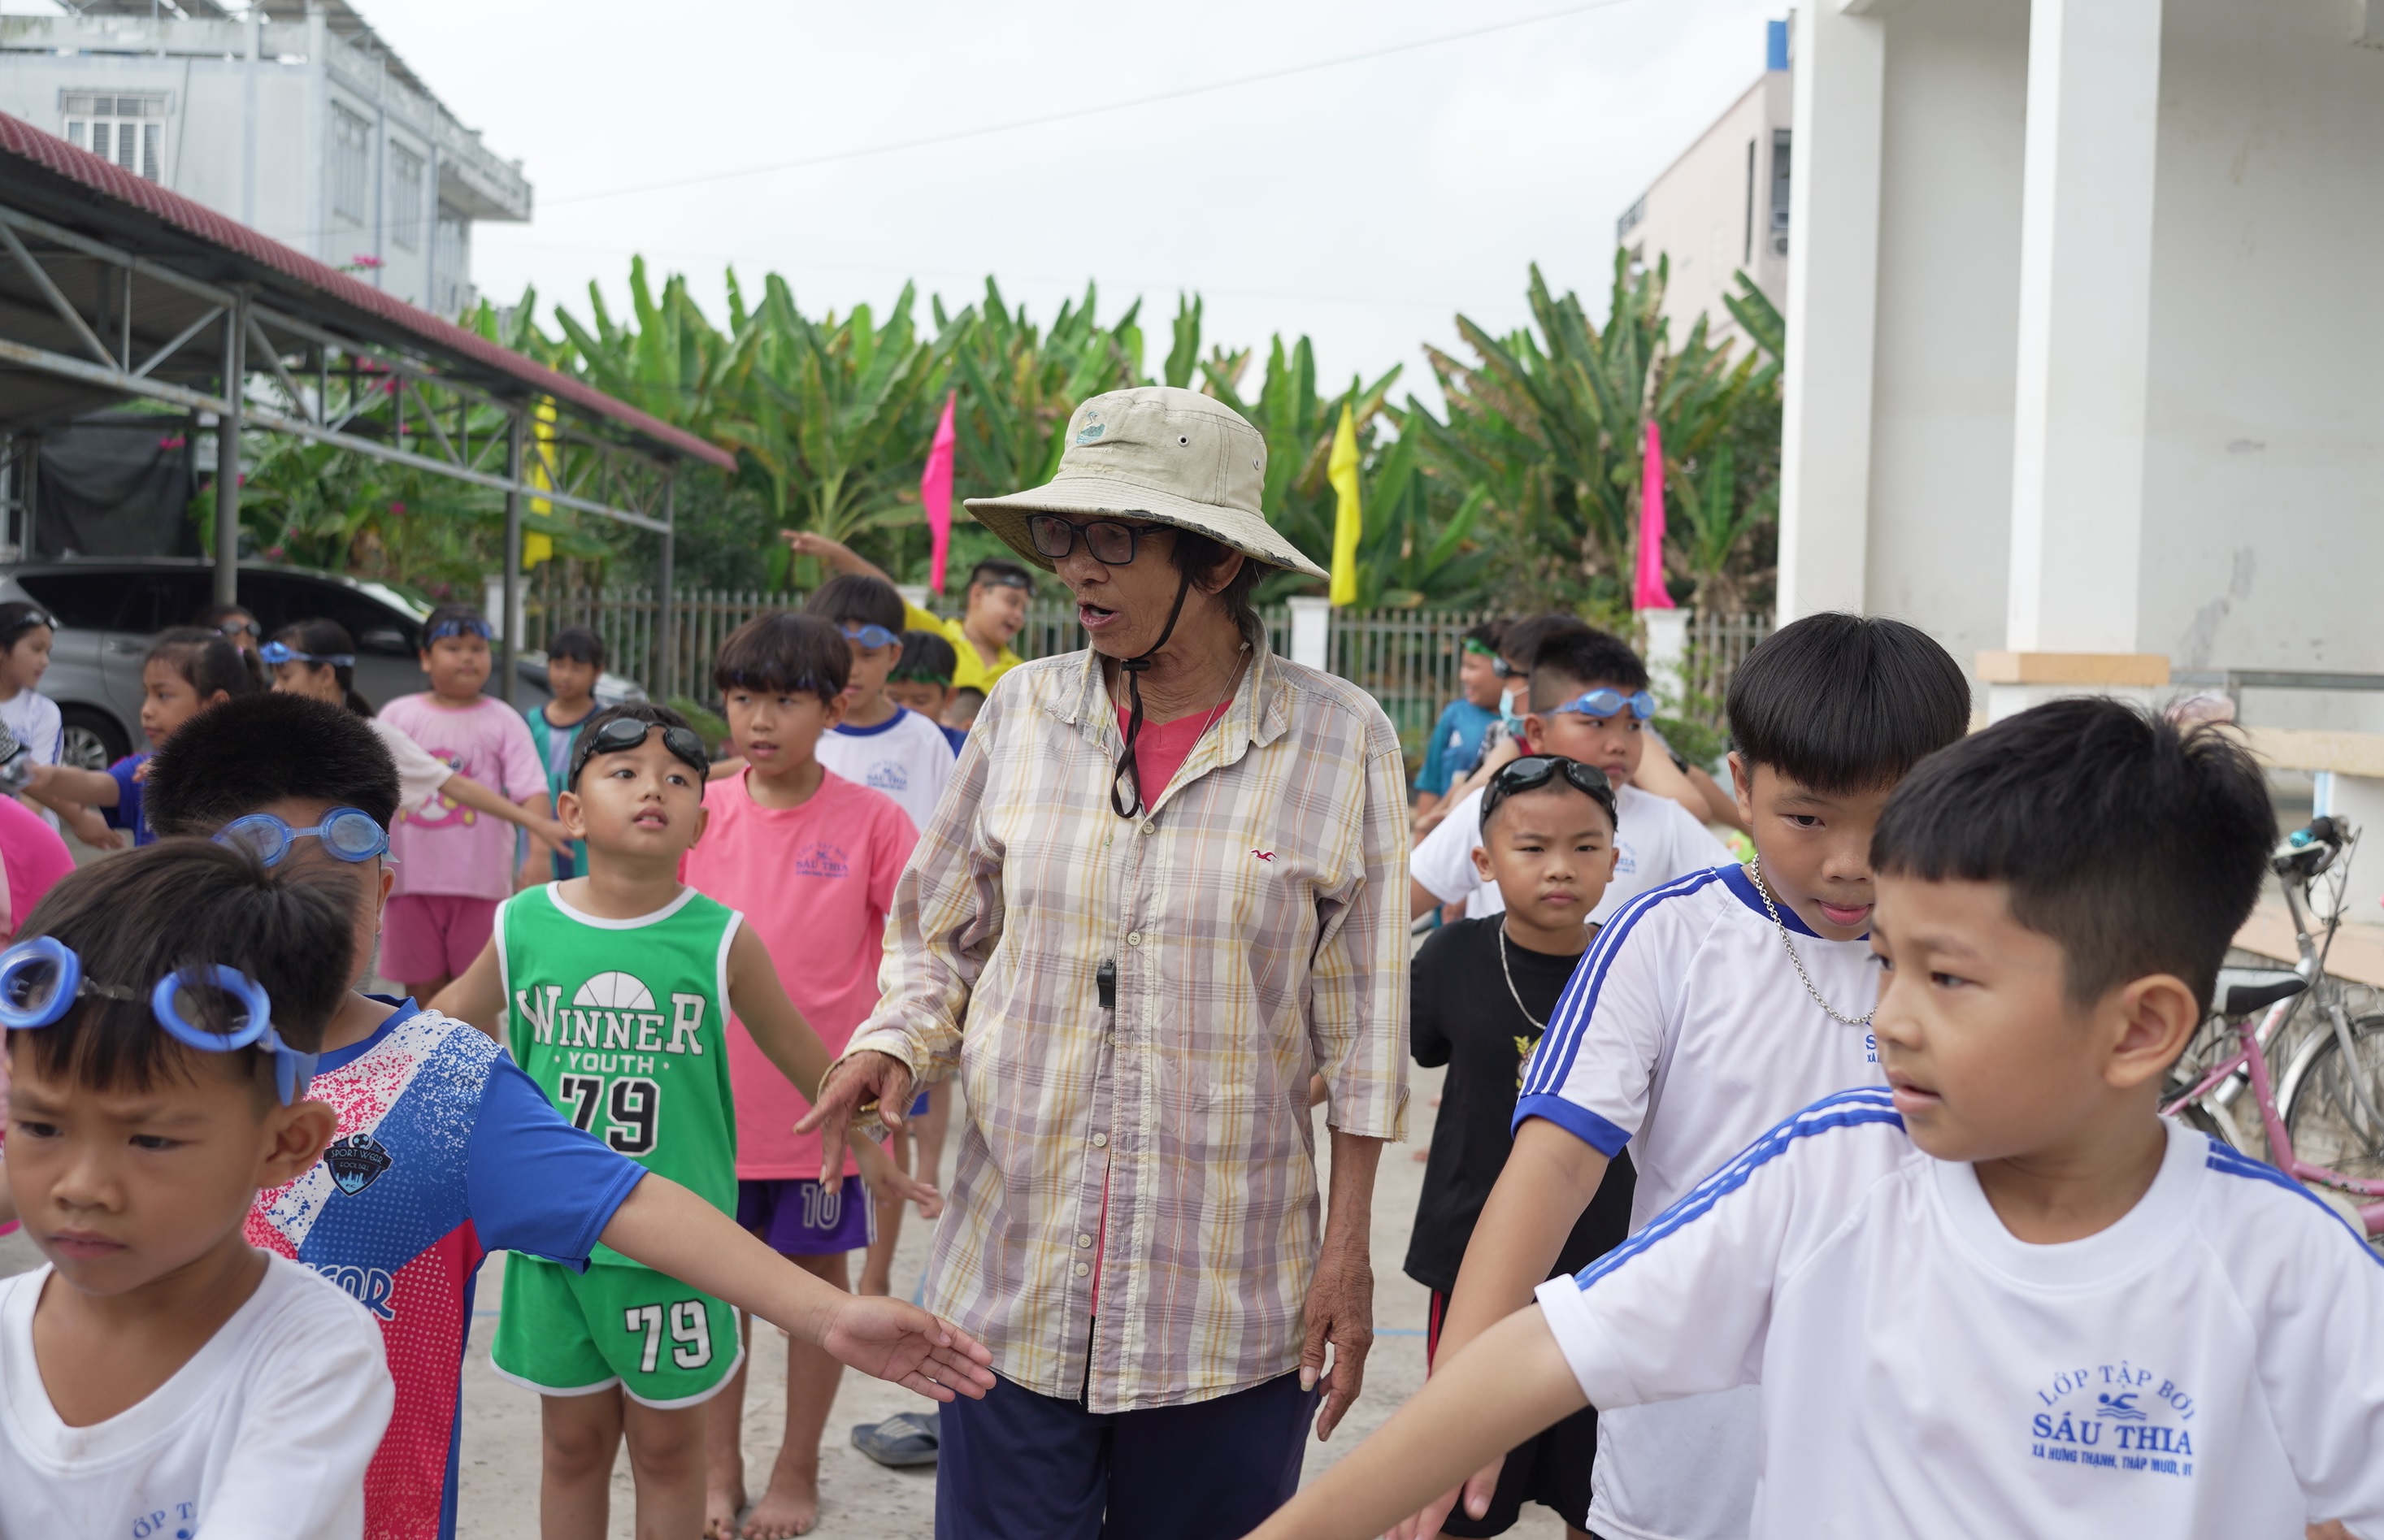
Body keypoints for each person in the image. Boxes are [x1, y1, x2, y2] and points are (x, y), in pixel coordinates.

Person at [1256, 697, 2384, 1540]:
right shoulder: (1829, 1177)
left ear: (2139, 1027)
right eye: (1886, 961)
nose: (1888, 1017)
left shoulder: (2296, 1274)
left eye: (1946, 978)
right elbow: (1534, 1356)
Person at [138, 692, 985, 1540]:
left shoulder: (441, 1084)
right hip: (154, 1491)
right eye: (257, 863)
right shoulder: (117, 1060)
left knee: (663, 1449)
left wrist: (828, 1311)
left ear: (383, 887)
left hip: (375, 1509)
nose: (297, 900)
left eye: (335, 871)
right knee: (572, 1445)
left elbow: (632, 1199)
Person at [797, 386, 1410, 1540]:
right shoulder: (1022, 712)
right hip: (1010, 1279)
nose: (1077, 568)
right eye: (1066, 536)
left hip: (1224, 1301)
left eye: (1115, 537)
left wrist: (1348, 1258)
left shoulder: (1340, 736)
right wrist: (893, 1039)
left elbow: (1369, 1028)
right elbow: (939, 931)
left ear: (1219, 561)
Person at [1403, 612, 1972, 1540]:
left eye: (1893, 817)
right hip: (1685, 1462)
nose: (1848, 862)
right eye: (1805, 817)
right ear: (1741, 787)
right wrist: (1459, 1401)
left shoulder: (1993, 953)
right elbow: (1551, 1166)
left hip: (1913, 1462)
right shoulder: (1666, 937)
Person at [432, 701, 945, 1540]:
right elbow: (443, 1026)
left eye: (676, 778)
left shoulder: (720, 938)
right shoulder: (521, 924)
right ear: (571, 810)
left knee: (671, 1453)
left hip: (675, 1249)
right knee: (568, 1445)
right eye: (624, 772)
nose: (653, 790)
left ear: (701, 821)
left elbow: (806, 1062)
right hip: (551, 1247)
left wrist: (867, 1151)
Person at [0, 839, 395, 1538]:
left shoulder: (310, 1354)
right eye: (40, 1125)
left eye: (150, 1139)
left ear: (284, 1143)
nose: (83, 1187)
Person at [680, 615, 925, 1538]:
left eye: (785, 699)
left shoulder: (873, 822)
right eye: (743, 697)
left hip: (814, 1115)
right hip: (702, 1110)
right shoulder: (697, 807)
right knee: (715, 1298)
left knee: (816, 1298)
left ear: (834, 704)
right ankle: (719, 1466)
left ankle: (795, 1467)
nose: (759, 718)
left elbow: (918, 951)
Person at [1408, 755, 1632, 1540]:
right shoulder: (1449, 959)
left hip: (1609, 1271)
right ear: (1484, 862)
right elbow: (1403, 1055)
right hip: (1471, 1264)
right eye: (1532, 847)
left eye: (1585, 846)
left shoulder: (1637, 965)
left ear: (1614, 855)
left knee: (1599, 1495)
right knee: (1455, 1491)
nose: (1560, 869)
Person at [1410, 627, 1731, 926]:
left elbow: (1741, 912)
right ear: (1536, 731)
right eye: (1595, 723)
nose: (1619, 744)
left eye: (1633, 726)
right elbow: (1394, 910)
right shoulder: (1488, 809)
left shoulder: (1668, 821)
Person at [265, 618, 574, 854]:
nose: (275, 689)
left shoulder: (372, 738)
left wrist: (537, 825)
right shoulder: (278, 739)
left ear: (326, 676)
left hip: (341, 885)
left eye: (285, 676)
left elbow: (455, 786)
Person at [376, 605, 551, 1003]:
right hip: (407, 883)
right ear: (425, 658)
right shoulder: (398, 715)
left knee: (479, 997)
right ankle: (425, 1066)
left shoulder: (504, 720)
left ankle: (480, 1067)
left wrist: (538, 853)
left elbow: (530, 788)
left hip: (482, 885)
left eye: (477, 647)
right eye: (453, 647)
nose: (468, 657)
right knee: (419, 996)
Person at [25, 627, 252, 849]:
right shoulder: (144, 771)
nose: (147, 710)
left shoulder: (247, 776)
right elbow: (95, 785)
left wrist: (178, 771)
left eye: (163, 695)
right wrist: (47, 776)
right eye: (147, 694)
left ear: (216, 705)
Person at [784, 532, 1035, 696]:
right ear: (978, 594)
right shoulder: (937, 635)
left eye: (1023, 609)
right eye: (1012, 602)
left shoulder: (1021, 671)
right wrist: (837, 554)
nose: (1017, 615)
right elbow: (886, 594)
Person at [803, 574, 958, 832]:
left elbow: (951, 834)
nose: (852, 670)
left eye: (868, 655)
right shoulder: (799, 732)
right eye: (839, 652)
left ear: (894, 655)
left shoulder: (924, 739)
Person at [526, 626, 606, 880]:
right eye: (558, 665)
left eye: (577, 668)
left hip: (587, 824)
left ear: (598, 671)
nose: (566, 676)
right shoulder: (530, 722)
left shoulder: (604, 723)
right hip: (537, 824)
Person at [1414, 622, 1507, 825]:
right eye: (1463, 666)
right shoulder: (1455, 714)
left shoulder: (1520, 726)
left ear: (1504, 668)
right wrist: (1421, 844)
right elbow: (1431, 781)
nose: (1463, 676)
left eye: (1472, 667)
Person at [888, 629, 972, 755]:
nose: (906, 710)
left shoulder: (966, 752)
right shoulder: (862, 742)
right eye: (895, 699)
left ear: (949, 698)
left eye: (920, 701)